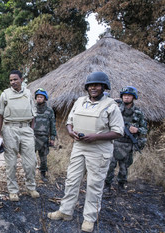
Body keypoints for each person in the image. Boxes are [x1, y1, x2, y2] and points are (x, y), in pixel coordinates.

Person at [47, 71, 124, 232]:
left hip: (99, 149)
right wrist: (70, 131)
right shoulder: (80, 101)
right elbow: (69, 121)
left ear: (104, 86)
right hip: (79, 146)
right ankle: (65, 211)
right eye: (90, 85)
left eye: (96, 85)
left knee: (94, 185)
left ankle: (89, 218)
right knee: (71, 180)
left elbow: (118, 132)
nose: (93, 88)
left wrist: (96, 137)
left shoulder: (111, 105)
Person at [0, 70, 40, 202]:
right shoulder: (5, 94)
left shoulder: (28, 93)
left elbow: (33, 114)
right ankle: (13, 190)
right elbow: (0, 115)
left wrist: (31, 130)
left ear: (21, 79)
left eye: (15, 79)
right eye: (10, 80)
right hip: (10, 129)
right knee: (11, 163)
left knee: (30, 162)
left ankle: (31, 187)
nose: (13, 82)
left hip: (26, 129)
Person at [105, 86, 147, 192]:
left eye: (129, 96)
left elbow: (145, 130)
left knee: (124, 168)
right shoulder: (115, 109)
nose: (126, 97)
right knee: (110, 166)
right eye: (124, 95)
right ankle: (107, 186)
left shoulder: (138, 112)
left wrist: (137, 130)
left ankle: (121, 185)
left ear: (133, 97)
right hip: (115, 142)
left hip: (128, 145)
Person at [33, 88, 57, 182]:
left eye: (41, 97)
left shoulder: (49, 110)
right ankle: (30, 175)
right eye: (38, 97)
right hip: (33, 137)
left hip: (44, 138)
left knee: (43, 158)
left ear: (45, 98)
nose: (39, 98)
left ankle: (43, 174)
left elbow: (53, 124)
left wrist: (52, 138)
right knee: (30, 157)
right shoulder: (32, 108)